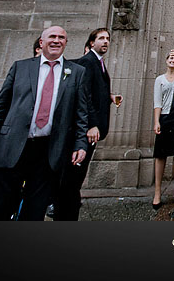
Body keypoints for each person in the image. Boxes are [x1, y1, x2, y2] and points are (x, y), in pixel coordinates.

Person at [0, 25, 88, 221]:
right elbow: (0, 107)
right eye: (52, 36)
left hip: (49, 150)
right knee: (0, 207)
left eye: (61, 38)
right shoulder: (21, 67)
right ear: (41, 42)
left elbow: (81, 114)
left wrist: (80, 144)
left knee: (34, 210)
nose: (57, 41)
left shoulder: (76, 72)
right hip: (13, 146)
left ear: (66, 43)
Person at [54, 28, 121, 221]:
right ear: (92, 43)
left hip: (93, 129)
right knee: (71, 178)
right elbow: (83, 97)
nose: (106, 42)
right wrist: (92, 124)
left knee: (75, 179)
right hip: (85, 131)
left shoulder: (98, 63)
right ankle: (65, 215)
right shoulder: (86, 62)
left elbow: (93, 91)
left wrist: (109, 97)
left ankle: (69, 210)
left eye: (108, 38)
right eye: (101, 38)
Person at [152, 50, 174, 209]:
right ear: (166, 60)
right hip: (165, 118)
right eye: (171, 58)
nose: (173, 60)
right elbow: (157, 102)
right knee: (160, 155)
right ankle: (157, 193)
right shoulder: (159, 79)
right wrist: (156, 122)